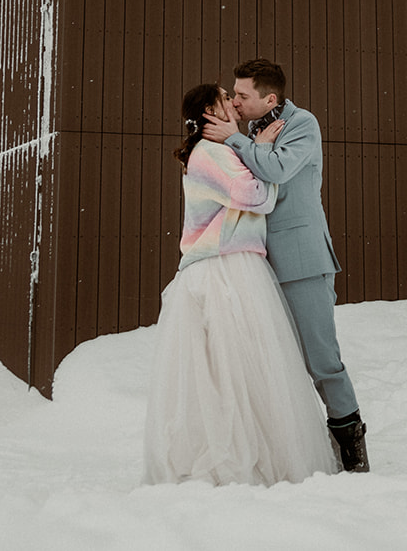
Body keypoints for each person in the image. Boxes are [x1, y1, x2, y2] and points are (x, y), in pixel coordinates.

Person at [143, 84, 338, 486]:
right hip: (221, 268)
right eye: (225, 98)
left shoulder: (223, 150)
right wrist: (263, 154)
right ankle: (234, 454)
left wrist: (251, 148)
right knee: (236, 367)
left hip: (232, 263)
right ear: (212, 112)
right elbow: (256, 197)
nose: (234, 103)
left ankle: (248, 447)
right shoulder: (211, 153)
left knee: (239, 368)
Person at [202, 58, 370, 473]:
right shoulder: (252, 130)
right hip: (258, 263)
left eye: (243, 96)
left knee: (321, 361)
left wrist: (237, 141)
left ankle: (353, 450)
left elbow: (275, 169)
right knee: (278, 361)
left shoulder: (302, 124)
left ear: (270, 98)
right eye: (234, 94)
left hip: (301, 259)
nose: (236, 103)